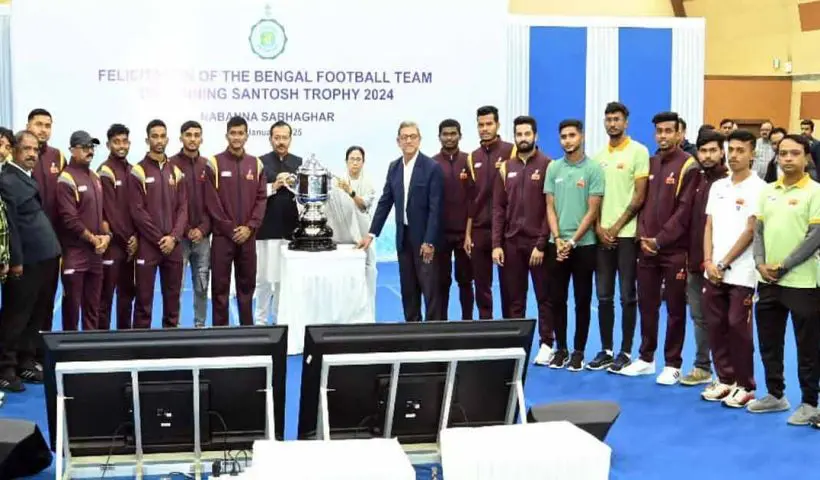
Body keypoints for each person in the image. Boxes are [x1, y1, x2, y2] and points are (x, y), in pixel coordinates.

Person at [620, 112, 699, 384]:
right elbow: (641, 203)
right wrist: (643, 236)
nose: (663, 136)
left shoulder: (689, 166)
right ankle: (646, 358)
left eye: (668, 131)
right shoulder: (650, 163)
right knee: (647, 304)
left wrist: (660, 240)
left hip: (674, 251)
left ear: (679, 134)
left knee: (675, 308)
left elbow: (684, 212)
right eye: (659, 131)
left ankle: (673, 363)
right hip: (646, 248)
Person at [748, 133, 820, 425]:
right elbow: (758, 231)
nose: (788, 158)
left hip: (803, 282)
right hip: (768, 281)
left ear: (807, 157)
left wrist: (784, 266)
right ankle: (775, 395)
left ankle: (810, 403)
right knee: (769, 342)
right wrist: (760, 263)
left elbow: (815, 237)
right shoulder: (767, 191)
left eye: (795, 153)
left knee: (808, 347)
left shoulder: (815, 192)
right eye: (783, 153)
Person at [699, 129, 765, 407]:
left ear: (752, 154)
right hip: (713, 270)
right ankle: (725, 379)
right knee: (715, 326)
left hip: (742, 272)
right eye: (731, 150)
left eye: (741, 150)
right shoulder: (718, 187)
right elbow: (709, 225)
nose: (734, 155)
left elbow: (751, 230)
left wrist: (724, 262)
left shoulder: (760, 188)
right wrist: (708, 261)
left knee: (738, 327)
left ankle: (745, 384)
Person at [358, 121, 444, 322]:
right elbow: (385, 201)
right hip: (403, 238)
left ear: (419, 140)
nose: (408, 140)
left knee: (430, 290)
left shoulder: (432, 168)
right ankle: (412, 330)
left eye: (413, 136)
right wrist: (371, 233)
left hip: (424, 240)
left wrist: (429, 241)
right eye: (404, 137)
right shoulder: (394, 167)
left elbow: (436, 208)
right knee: (408, 289)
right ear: (398, 141)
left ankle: (434, 333)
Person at [589, 102, 649, 373]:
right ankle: (606, 349)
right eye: (609, 119)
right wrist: (599, 228)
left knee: (627, 296)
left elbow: (639, 196)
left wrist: (615, 227)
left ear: (626, 122)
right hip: (601, 236)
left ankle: (625, 351)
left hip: (626, 235)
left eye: (617, 119)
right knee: (603, 296)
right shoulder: (598, 157)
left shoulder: (639, 151)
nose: (612, 124)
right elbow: (594, 198)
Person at [0, 130, 61, 392]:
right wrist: (16, 261)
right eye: (26, 149)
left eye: (35, 149)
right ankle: (5, 368)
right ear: (14, 149)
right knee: (16, 316)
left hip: (44, 257)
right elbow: (10, 225)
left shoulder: (26, 177)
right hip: (26, 261)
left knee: (36, 314)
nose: (32, 154)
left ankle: (26, 361)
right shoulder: (6, 179)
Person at [491, 116, 553, 362]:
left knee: (544, 296)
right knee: (514, 298)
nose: (523, 138)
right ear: (515, 137)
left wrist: (541, 243)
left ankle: (546, 343)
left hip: (538, 245)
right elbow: (498, 209)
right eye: (519, 134)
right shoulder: (506, 167)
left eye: (527, 134)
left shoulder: (548, 165)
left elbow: (550, 209)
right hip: (512, 243)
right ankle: (516, 345)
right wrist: (497, 244)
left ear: (535, 136)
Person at [544, 119, 603, 371]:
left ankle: (578, 351)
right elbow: (549, 206)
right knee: (557, 300)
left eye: (572, 135)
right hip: (556, 245)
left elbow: (592, 210)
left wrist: (572, 241)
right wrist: (558, 238)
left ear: (581, 137)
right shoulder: (553, 168)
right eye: (563, 136)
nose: (567, 140)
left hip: (584, 246)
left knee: (582, 300)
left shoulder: (593, 169)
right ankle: (561, 349)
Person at [205, 116, 267, 326]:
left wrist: (250, 227)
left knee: (247, 288)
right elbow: (212, 202)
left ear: (247, 136)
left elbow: (261, 199)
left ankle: (247, 332)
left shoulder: (256, 164)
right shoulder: (214, 163)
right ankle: (220, 335)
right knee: (220, 289)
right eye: (233, 133)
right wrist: (230, 228)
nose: (237, 137)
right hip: (223, 238)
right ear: (227, 135)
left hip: (248, 238)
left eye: (241, 133)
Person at [128, 120, 188, 329]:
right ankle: (140, 344)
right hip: (148, 245)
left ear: (168, 140)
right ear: (147, 140)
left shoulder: (176, 171)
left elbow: (183, 209)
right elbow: (137, 211)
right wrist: (159, 239)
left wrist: (174, 237)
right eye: (155, 136)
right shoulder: (138, 171)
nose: (159, 140)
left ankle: (170, 341)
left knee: (172, 300)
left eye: (162, 136)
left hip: (173, 245)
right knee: (143, 300)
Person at [680, 130, 728, 387]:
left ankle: (728, 375)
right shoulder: (694, 178)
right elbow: (685, 219)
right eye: (703, 151)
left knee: (724, 320)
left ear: (722, 152)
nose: (707, 156)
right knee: (699, 317)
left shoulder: (729, 182)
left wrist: (718, 260)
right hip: (695, 261)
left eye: (713, 150)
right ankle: (702, 367)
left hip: (723, 265)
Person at [465, 106, 516, 319]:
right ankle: (486, 326)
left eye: (489, 124)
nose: (484, 128)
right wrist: (468, 233)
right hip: (479, 230)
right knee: (481, 285)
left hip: (505, 231)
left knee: (508, 285)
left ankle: (509, 328)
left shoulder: (511, 151)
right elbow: (471, 199)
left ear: (498, 125)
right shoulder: (472, 157)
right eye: (481, 125)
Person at [55, 131, 109, 331]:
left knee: (93, 307)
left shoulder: (95, 177)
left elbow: (102, 214)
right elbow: (70, 219)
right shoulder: (66, 179)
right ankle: (69, 348)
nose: (90, 151)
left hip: (96, 253)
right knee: (72, 307)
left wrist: (106, 237)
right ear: (72, 150)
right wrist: (93, 239)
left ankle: (90, 347)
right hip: (75, 252)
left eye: (91, 147)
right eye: (84, 147)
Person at [255, 121, 302, 325]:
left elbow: (304, 196)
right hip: (266, 230)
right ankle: (261, 320)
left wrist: (295, 185)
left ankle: (281, 320)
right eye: (277, 138)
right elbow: (255, 194)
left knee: (285, 280)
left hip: (291, 231)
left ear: (290, 139)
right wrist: (274, 186)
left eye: (284, 137)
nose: (281, 142)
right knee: (263, 279)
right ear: (270, 139)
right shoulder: (259, 162)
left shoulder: (299, 163)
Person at [326, 146, 378, 318]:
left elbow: (364, 205)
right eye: (352, 159)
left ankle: (368, 316)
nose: (355, 163)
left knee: (368, 273)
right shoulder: (337, 183)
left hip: (364, 235)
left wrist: (350, 192)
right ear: (346, 161)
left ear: (363, 162)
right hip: (342, 237)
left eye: (358, 159)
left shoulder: (368, 183)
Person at [169, 121, 211, 328]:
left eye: (196, 135)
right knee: (175, 287)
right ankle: (174, 329)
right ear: (181, 138)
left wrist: (203, 229)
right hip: (179, 239)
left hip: (203, 239)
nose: (192, 139)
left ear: (201, 139)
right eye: (188, 135)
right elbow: (169, 203)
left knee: (202, 286)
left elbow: (214, 202)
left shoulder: (208, 166)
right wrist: (184, 230)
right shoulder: (170, 165)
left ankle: (200, 326)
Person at [27, 109, 64, 335]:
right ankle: (20, 351)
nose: (43, 129)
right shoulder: (17, 154)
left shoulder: (58, 157)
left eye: (47, 125)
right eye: (38, 124)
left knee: (47, 299)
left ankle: (43, 349)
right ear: (28, 125)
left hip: (52, 244)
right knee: (25, 302)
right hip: (27, 244)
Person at [433, 119, 474, 320]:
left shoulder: (469, 161)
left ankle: (468, 322)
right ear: (439, 137)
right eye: (445, 134)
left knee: (465, 281)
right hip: (440, 234)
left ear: (460, 135)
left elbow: (474, 198)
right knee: (442, 282)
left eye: (453, 133)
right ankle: (441, 324)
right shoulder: (432, 164)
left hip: (464, 234)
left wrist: (469, 232)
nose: (449, 138)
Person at [98, 124, 137, 330]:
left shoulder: (132, 170)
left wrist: (135, 238)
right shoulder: (105, 171)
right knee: (105, 297)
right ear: (108, 145)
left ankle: (125, 338)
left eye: (124, 141)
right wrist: (127, 239)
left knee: (127, 295)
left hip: (131, 245)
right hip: (114, 244)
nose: (121, 146)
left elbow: (137, 209)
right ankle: (102, 341)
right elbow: (110, 211)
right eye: (116, 142)